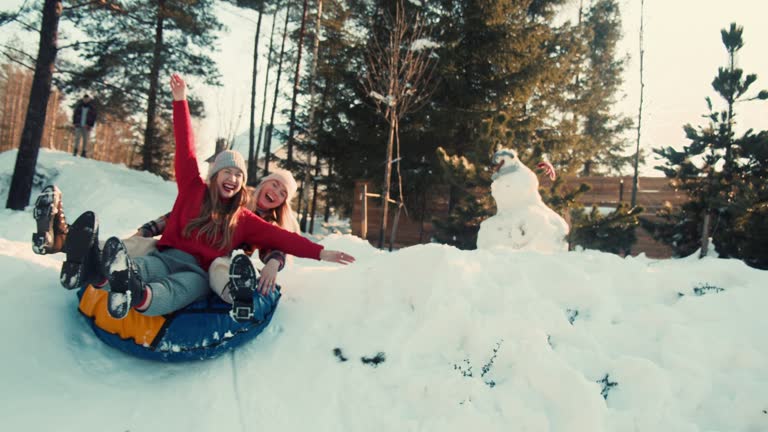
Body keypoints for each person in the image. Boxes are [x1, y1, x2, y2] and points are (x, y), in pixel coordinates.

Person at [58, 73, 355, 322]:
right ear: (215, 175)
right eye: (228, 172)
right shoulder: (193, 187)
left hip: (199, 272)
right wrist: (180, 101)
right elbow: (185, 145)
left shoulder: (244, 218)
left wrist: (320, 252)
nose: (234, 178)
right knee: (143, 268)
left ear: (243, 184)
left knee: (176, 289)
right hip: (165, 255)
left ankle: (136, 294)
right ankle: (102, 274)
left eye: (239, 176)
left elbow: (281, 239)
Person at [32, 169, 300, 301]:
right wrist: (150, 228)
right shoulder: (232, 195)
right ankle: (63, 241)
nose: (275, 191)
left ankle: (236, 295)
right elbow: (186, 214)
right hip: (181, 247)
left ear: (281, 203)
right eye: (274, 184)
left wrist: (275, 261)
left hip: (211, 262)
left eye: (282, 193)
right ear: (264, 183)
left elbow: (273, 245)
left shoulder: (267, 225)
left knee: (219, 265)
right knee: (141, 245)